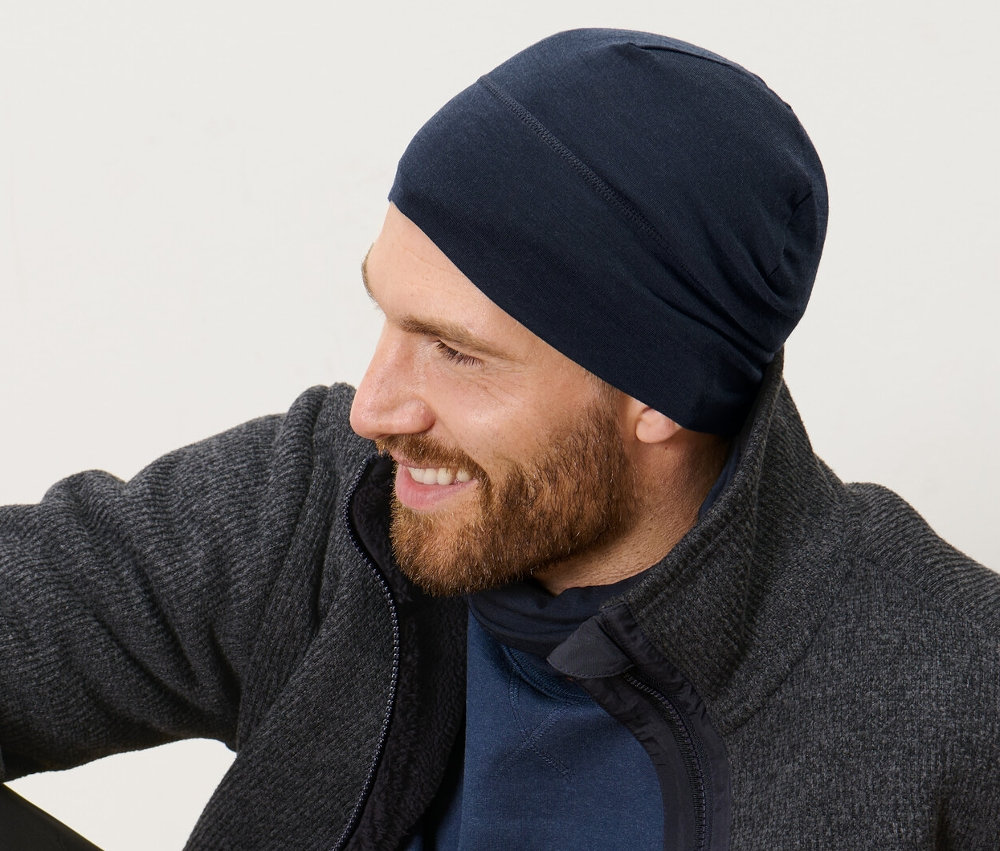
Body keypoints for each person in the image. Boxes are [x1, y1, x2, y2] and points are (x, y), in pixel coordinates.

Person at [1, 28, 998, 851]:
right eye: (388, 317)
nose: (375, 406)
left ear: (656, 391)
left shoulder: (949, 694)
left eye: (455, 352)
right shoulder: (322, 504)